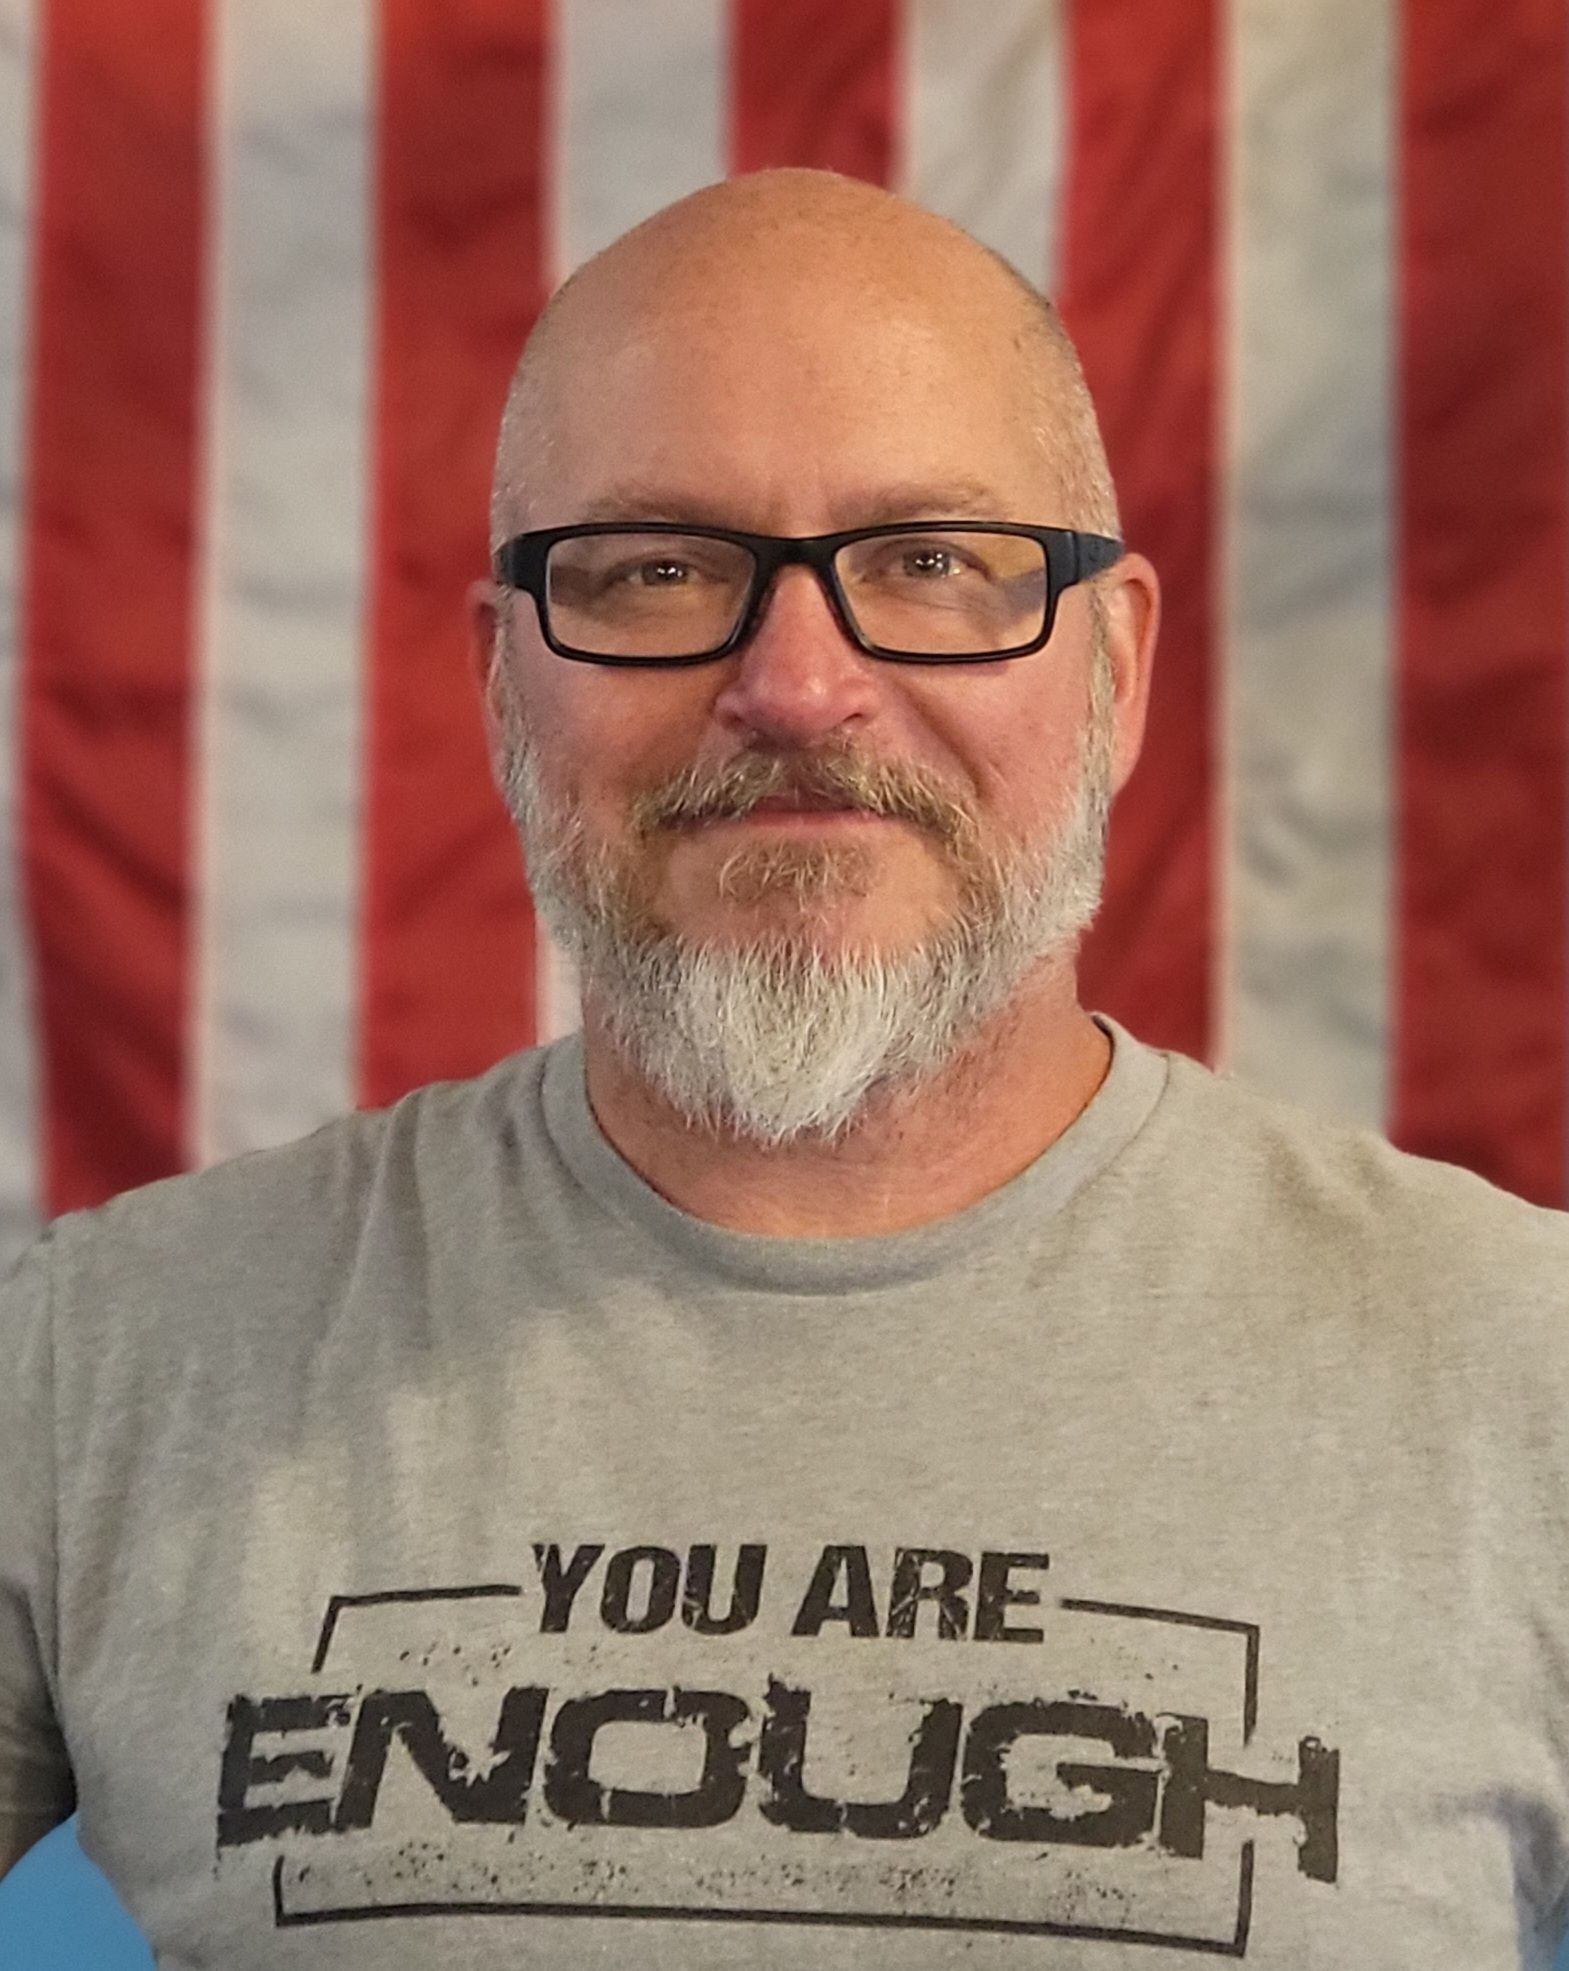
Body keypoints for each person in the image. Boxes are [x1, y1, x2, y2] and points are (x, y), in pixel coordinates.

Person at [3, 167, 1568, 1971]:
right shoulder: (104, 1365)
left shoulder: (1518, 1372)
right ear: (504, 681)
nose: (798, 686)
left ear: (1115, 666)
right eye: (658, 571)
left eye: (930, 563)